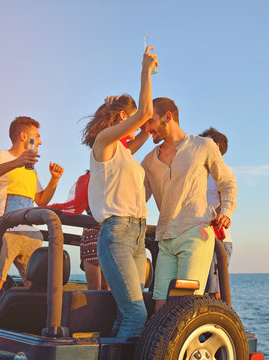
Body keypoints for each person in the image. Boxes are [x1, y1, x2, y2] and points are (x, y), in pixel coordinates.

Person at [82, 47, 157, 338]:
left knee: (127, 312)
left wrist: (144, 127)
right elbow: (145, 113)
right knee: (136, 314)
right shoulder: (103, 142)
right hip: (116, 235)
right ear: (122, 116)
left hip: (137, 234)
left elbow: (143, 129)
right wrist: (145, 69)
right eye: (128, 116)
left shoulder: (123, 151)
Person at [141, 98, 238, 312]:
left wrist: (227, 212)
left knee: (185, 306)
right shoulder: (148, 161)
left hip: (195, 234)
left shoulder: (203, 146)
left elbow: (227, 183)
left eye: (150, 122)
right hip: (165, 239)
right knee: (160, 306)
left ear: (168, 117)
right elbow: (137, 199)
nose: (146, 129)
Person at [0, 116, 64, 305]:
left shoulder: (32, 169)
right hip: (2, 231)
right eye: (37, 136)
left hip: (30, 233)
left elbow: (41, 200)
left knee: (39, 287)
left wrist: (54, 180)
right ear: (24, 137)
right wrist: (17, 162)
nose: (40, 141)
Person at [48, 171, 108, 290]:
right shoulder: (88, 180)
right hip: (93, 236)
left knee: (106, 288)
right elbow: (76, 206)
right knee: (95, 288)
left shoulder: (114, 180)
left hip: (110, 235)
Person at [199, 127, 235, 299]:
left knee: (214, 292)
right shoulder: (200, 174)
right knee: (201, 291)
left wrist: (216, 217)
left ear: (216, 145)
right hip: (198, 236)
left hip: (218, 238)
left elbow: (226, 197)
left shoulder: (222, 172)